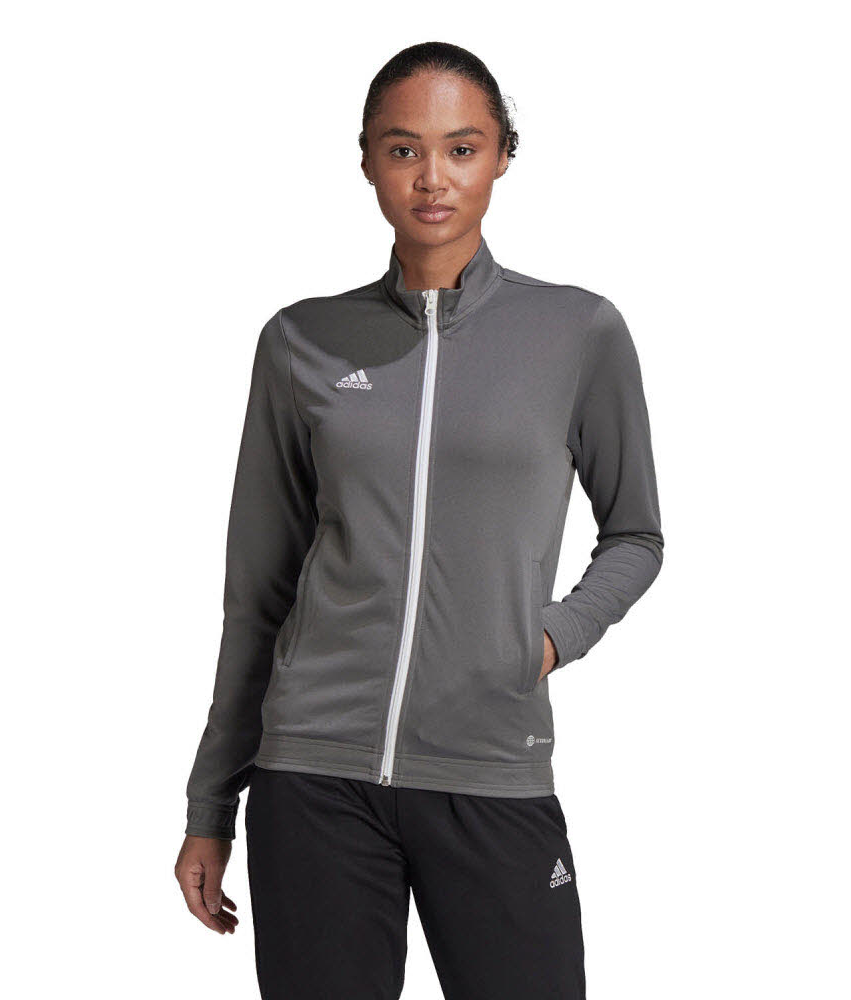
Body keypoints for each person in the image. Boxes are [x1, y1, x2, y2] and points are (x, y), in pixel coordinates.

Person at [174, 40, 664, 1000]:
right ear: (366, 160)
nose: (432, 178)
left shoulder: (577, 332)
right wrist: (210, 804)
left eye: (461, 148)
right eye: (403, 150)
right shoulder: (302, 341)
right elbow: (258, 590)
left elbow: (637, 535)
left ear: (502, 157)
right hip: (311, 777)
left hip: (491, 768)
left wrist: (550, 639)